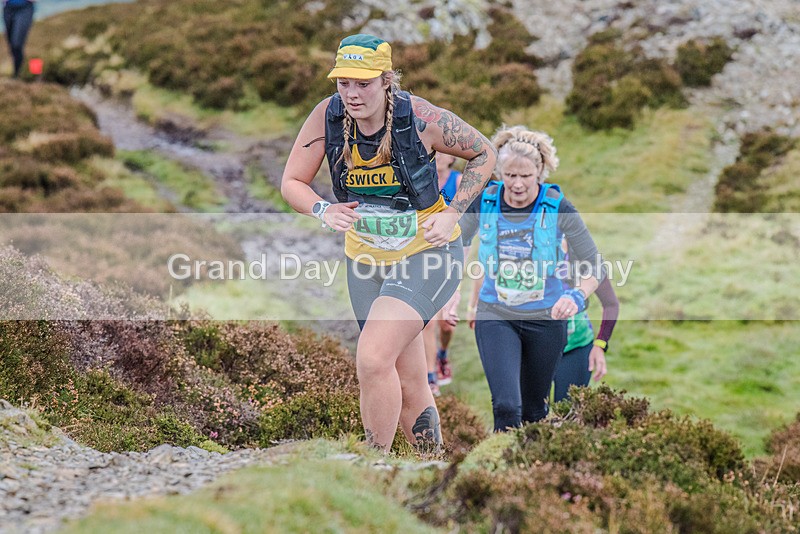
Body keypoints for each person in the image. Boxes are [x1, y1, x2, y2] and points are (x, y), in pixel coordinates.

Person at [281, 34, 496, 451]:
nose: (352, 93)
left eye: (362, 83)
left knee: (373, 358)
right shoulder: (326, 117)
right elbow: (292, 182)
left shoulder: (420, 117)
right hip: (366, 261)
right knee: (406, 375)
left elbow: (484, 153)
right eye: (344, 83)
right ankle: (429, 467)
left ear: (386, 80)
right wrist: (323, 210)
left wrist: (453, 210)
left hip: (428, 252)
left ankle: (373, 463)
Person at [462, 125, 602, 432]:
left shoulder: (558, 208)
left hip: (546, 318)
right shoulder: (485, 202)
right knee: (506, 405)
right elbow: (453, 244)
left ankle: (529, 472)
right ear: (498, 172)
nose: (517, 184)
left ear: (539, 172)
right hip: (495, 313)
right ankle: (499, 474)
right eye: (510, 175)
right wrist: (450, 300)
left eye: (525, 176)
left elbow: (595, 266)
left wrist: (575, 296)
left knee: (535, 409)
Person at [552, 239, 619, 402]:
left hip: (576, 348)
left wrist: (600, 344)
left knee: (569, 418)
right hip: (531, 349)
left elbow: (611, 304)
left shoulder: (584, 256)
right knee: (530, 417)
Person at [424, 153, 462, 396]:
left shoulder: (458, 182)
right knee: (427, 320)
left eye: (444, 152)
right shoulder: (422, 179)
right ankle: (430, 378)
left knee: (445, 324)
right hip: (424, 253)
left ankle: (442, 355)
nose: (439, 157)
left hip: (451, 254)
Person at [3, 0, 35, 78]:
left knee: (16, 43)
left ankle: (18, 73)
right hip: (8, 8)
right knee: (11, 45)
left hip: (25, 8)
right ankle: (18, 72)